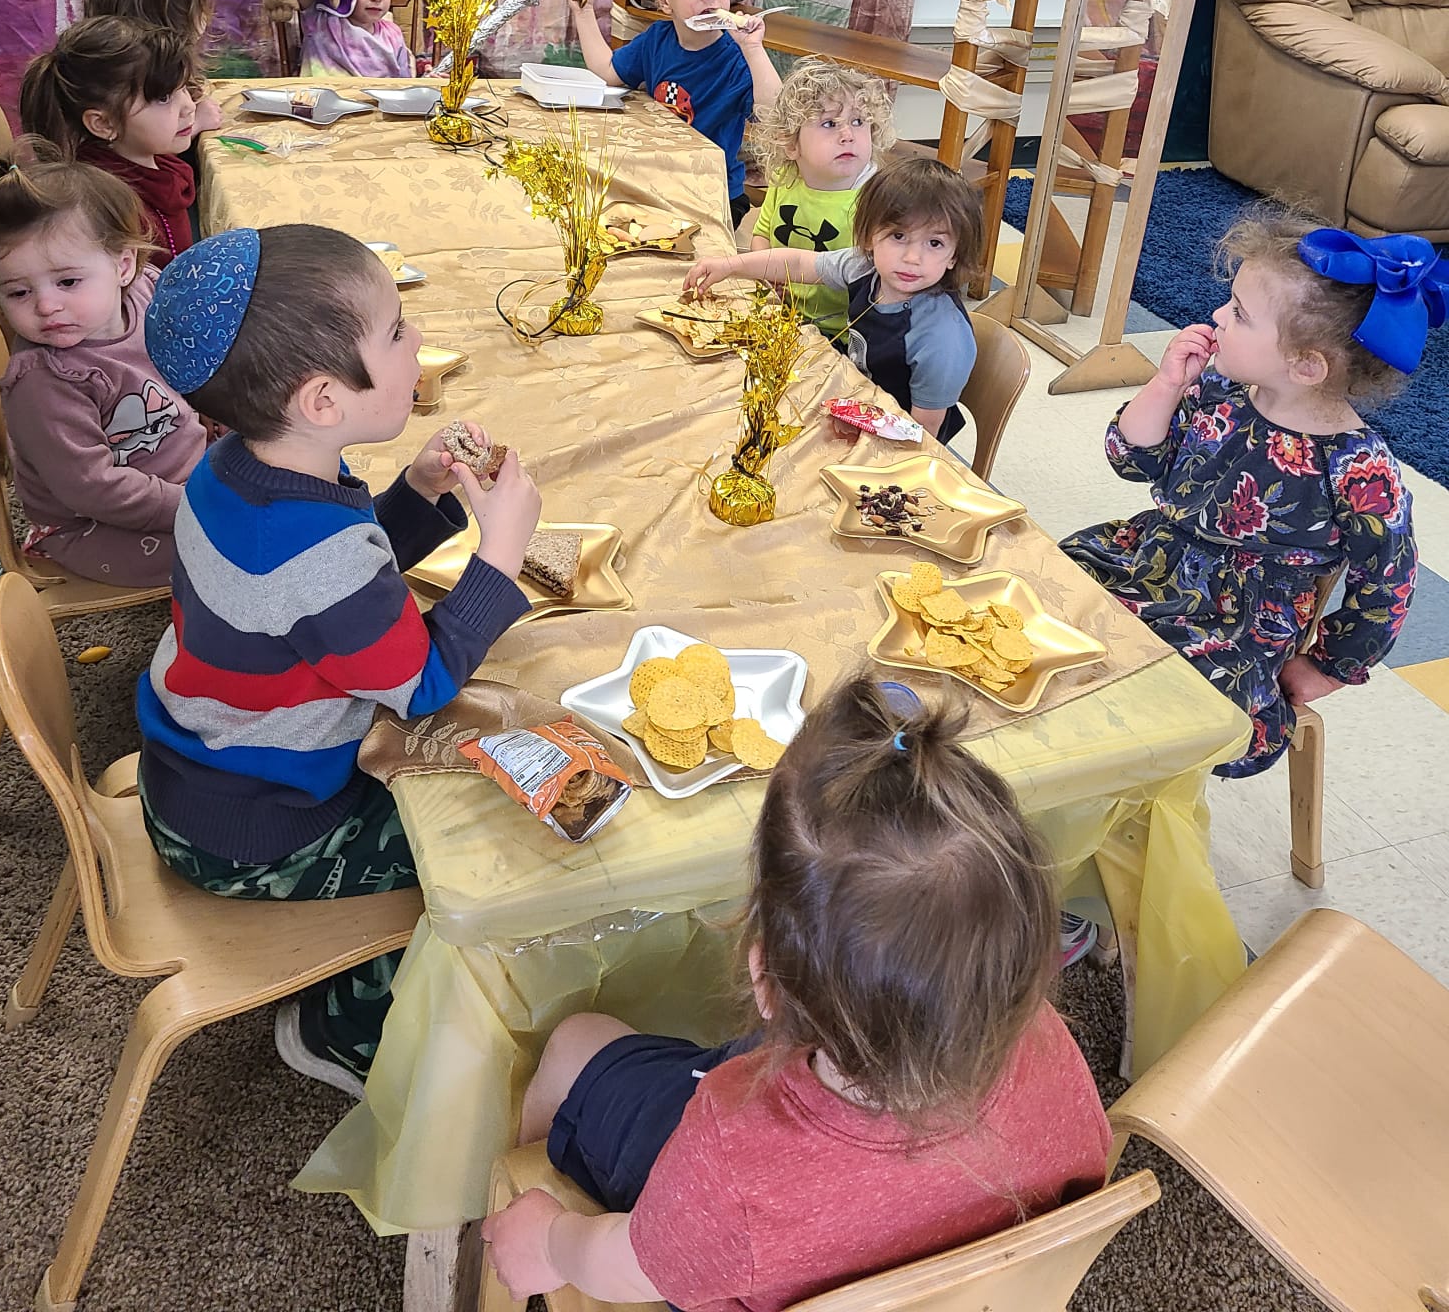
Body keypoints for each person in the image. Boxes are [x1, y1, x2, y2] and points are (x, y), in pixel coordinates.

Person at [482, 676, 1111, 1312]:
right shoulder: (1051, 1049)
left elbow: (629, 1269)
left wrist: (551, 1240)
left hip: (702, 1230)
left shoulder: (731, 1154)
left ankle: (543, 1176)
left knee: (576, 1043)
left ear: (766, 983)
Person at [136, 224, 542, 1090]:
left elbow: (331, 601)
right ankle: (344, 1029)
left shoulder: (231, 469)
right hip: (260, 829)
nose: (418, 340)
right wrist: (501, 555)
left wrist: (417, 494)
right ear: (323, 401)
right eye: (395, 331)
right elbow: (420, 684)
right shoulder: (312, 551)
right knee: (478, 848)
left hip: (197, 775)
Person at [1061, 207, 1433, 777]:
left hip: (1230, 622)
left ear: (1305, 366)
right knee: (1043, 597)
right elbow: (1132, 460)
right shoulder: (1221, 387)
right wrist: (1166, 384)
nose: (1217, 316)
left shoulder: (1359, 470)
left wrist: (1329, 668)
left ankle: (1095, 783)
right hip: (1146, 558)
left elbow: (1387, 584)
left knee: (1146, 696)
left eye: (1239, 313)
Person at [0, 151, 204, 588]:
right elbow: (94, 490)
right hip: (91, 525)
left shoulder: (145, 292)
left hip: (183, 468)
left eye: (68, 281)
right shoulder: (44, 380)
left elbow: (190, 359)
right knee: (240, 550)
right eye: (17, 292)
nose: (46, 306)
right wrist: (198, 507)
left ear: (123, 266)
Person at [685, 157, 982, 442]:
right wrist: (730, 266)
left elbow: (922, 434)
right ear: (869, 236)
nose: (912, 257)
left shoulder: (941, 340)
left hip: (896, 434)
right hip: (857, 396)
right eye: (898, 236)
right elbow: (800, 264)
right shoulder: (865, 266)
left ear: (954, 256)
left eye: (935, 243)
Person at [567, 0, 780, 227]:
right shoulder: (656, 40)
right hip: (660, 178)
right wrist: (584, 13)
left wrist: (753, 49)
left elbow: (774, 113)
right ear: (665, 0)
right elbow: (609, 71)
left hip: (716, 191)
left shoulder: (737, 58)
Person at [19, 16, 197, 268]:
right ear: (104, 124)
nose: (189, 106)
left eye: (185, 88)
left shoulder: (155, 165)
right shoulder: (110, 210)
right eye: (164, 98)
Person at [749, 58, 894, 341]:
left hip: (843, 336)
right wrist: (768, 274)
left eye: (858, 121)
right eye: (829, 123)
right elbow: (762, 233)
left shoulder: (878, 201)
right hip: (781, 314)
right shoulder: (785, 178)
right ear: (791, 144)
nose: (847, 135)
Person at [81, 0, 224, 140]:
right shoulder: (131, 81)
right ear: (173, 21)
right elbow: (135, 145)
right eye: (197, 6)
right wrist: (196, 124)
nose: (206, 16)